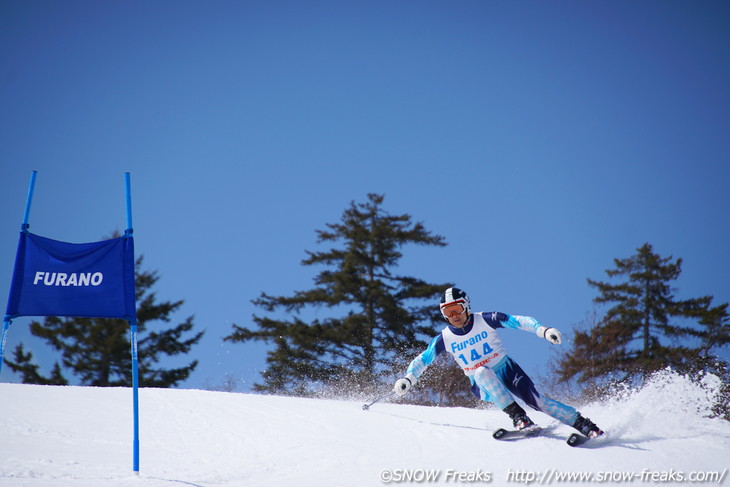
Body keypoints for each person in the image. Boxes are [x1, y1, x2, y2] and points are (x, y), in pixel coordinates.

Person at [393, 287, 604, 438]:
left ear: (466, 306)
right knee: (481, 372)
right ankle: (519, 417)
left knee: (538, 402)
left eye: (457, 309)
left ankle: (585, 425)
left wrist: (543, 330)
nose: (454, 316)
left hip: (507, 370)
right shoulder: (445, 337)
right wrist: (409, 378)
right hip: (481, 383)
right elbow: (424, 358)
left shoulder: (486, 319)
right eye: (448, 313)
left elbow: (517, 320)